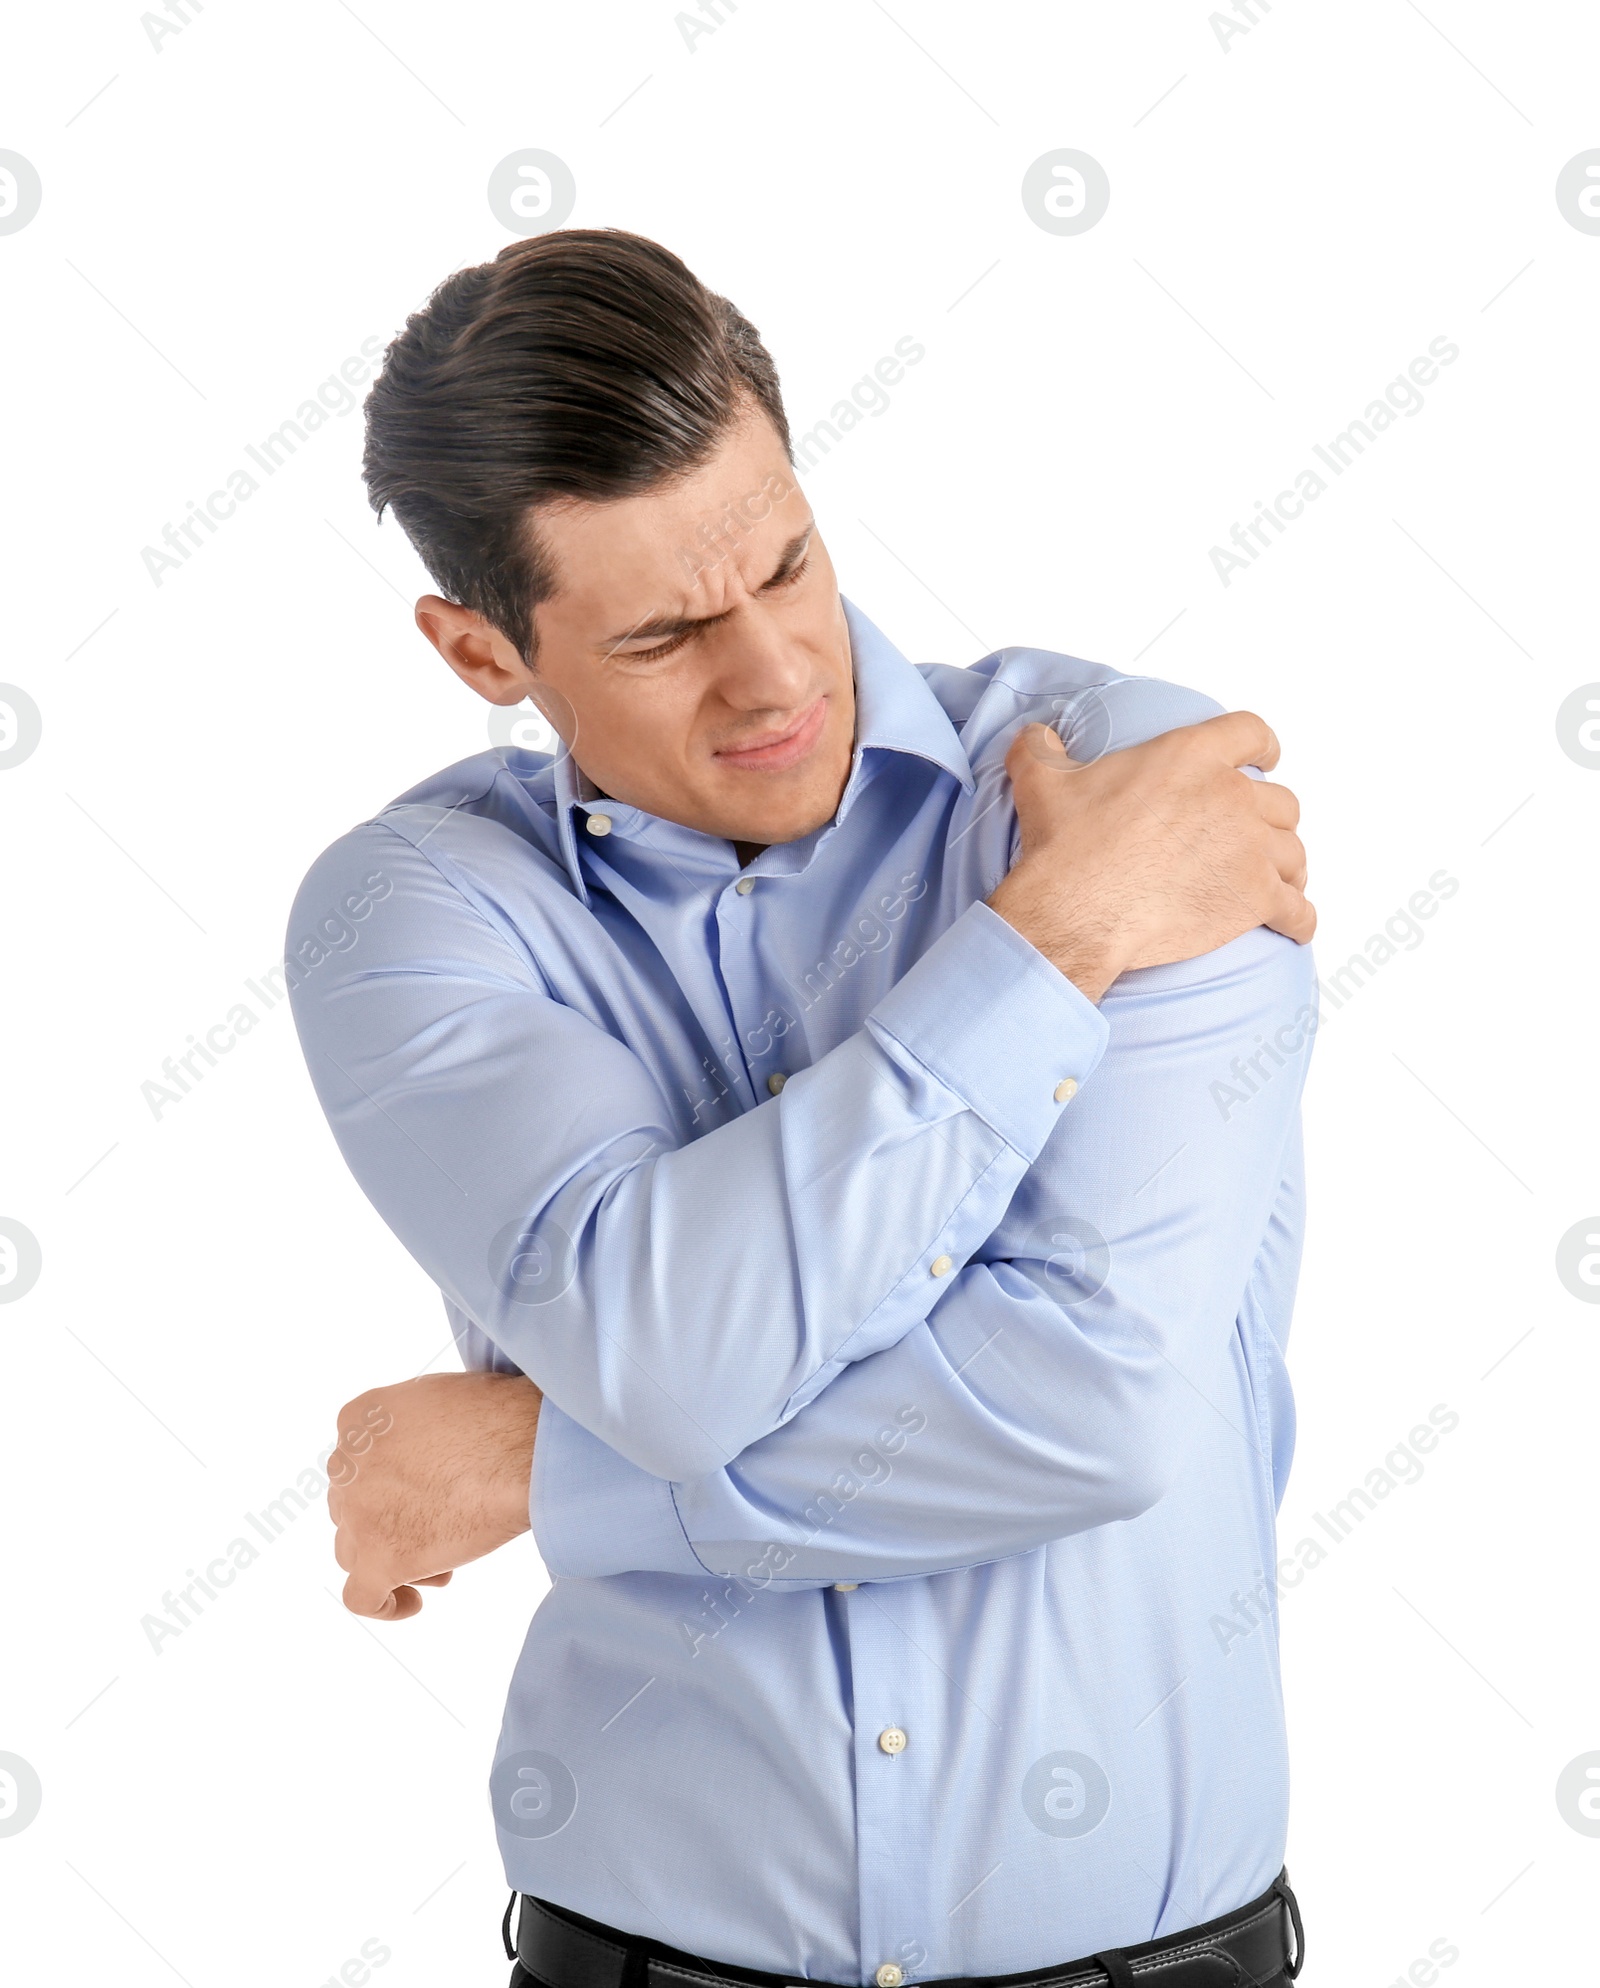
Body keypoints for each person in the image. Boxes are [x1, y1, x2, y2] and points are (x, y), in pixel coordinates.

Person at [288, 228, 1317, 1988]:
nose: (773, 672)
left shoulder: (1124, 778)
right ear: (481, 655)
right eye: (670, 633)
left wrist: (550, 1462)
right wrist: (1051, 939)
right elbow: (676, 1356)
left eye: (788, 564)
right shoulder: (415, 916)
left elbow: (1094, 1411)